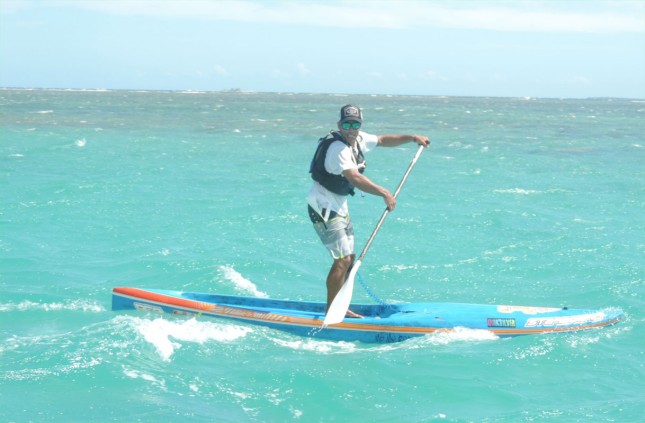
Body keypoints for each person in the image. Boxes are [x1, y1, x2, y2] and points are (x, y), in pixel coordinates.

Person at [307, 104, 430, 318]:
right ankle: (332, 311)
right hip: (322, 206)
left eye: (355, 124)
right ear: (339, 125)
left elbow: (382, 140)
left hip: (338, 205)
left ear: (360, 124)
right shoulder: (339, 149)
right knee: (342, 260)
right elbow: (354, 178)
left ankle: (340, 307)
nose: (351, 128)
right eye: (346, 124)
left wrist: (412, 137)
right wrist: (384, 192)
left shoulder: (359, 139)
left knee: (349, 258)